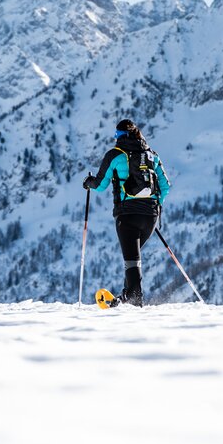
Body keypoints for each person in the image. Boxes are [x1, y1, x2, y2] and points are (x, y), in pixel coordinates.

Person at [82, 119, 171, 306]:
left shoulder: (115, 155)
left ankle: (134, 300)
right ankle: (127, 295)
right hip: (150, 216)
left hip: (127, 214)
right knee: (133, 258)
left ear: (119, 137)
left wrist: (88, 182)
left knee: (132, 260)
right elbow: (165, 186)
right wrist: (155, 205)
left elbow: (100, 185)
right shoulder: (151, 155)